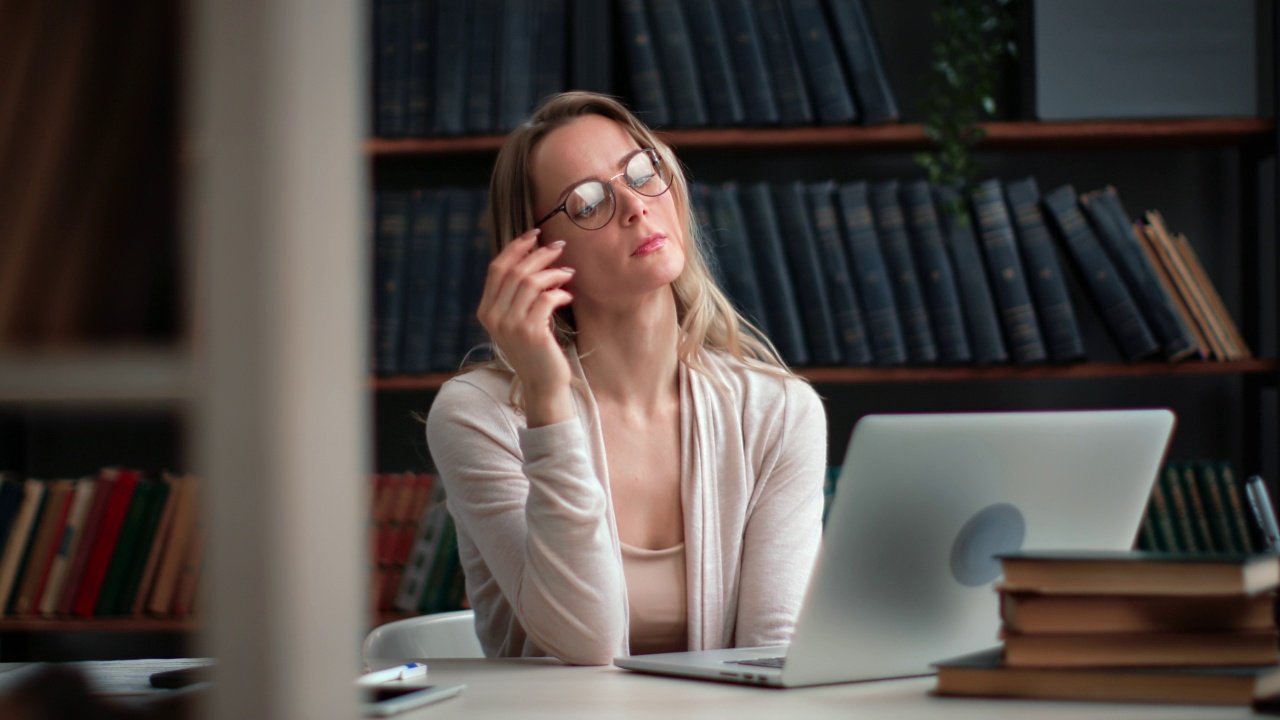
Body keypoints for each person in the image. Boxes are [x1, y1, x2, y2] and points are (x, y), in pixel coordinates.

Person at [426, 91, 827, 666]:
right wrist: (546, 397)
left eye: (641, 172)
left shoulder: (781, 413)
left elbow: (773, 652)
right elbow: (582, 641)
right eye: (588, 203)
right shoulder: (477, 416)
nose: (636, 206)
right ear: (537, 254)